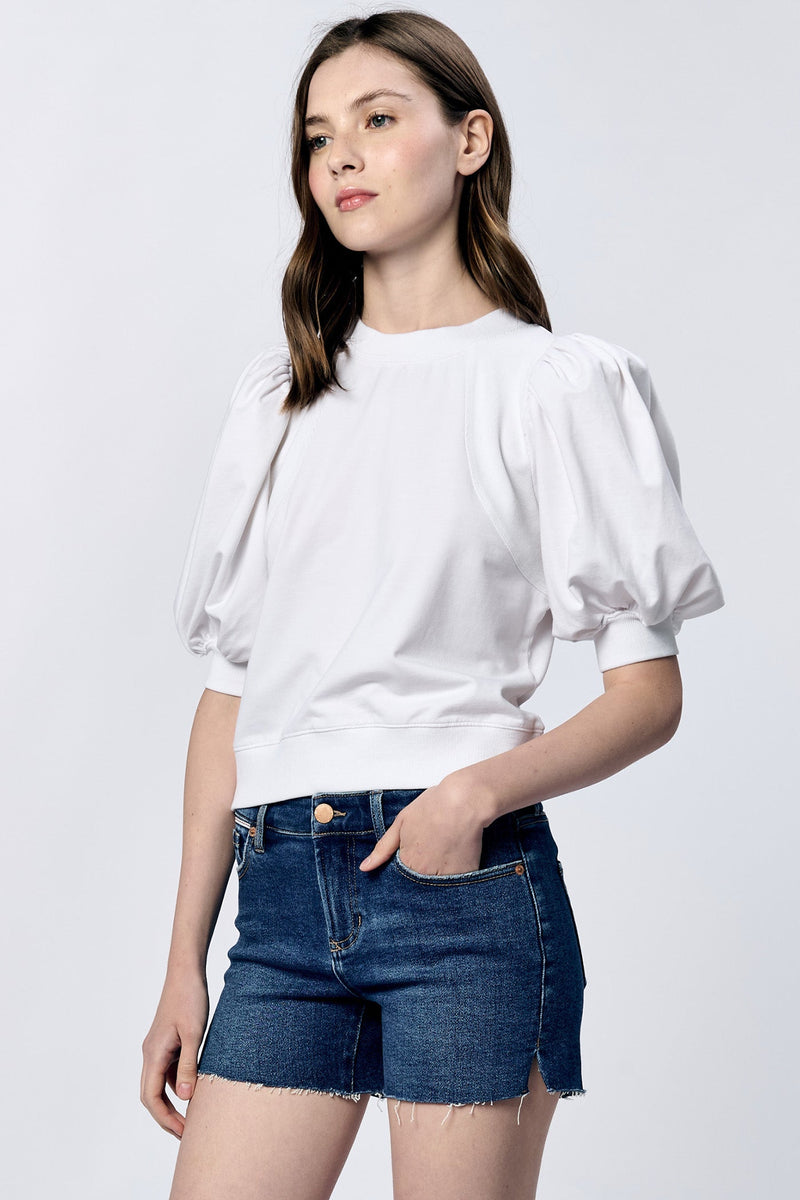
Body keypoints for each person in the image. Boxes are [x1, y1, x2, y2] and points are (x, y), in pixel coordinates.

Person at [141, 10, 725, 1199]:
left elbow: (646, 694)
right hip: (279, 907)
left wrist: (471, 796)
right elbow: (228, 700)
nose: (340, 157)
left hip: (463, 894)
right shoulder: (280, 403)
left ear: (469, 141)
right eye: (318, 136)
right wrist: (181, 965)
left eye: (376, 119)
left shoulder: (553, 386)